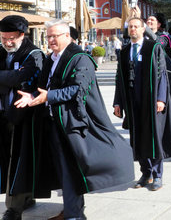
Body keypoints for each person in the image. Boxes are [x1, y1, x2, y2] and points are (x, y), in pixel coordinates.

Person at [15, 19, 134, 220]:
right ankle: (72, 210)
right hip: (53, 122)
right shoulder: (51, 58)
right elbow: (45, 87)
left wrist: (48, 97)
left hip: (73, 124)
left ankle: (74, 215)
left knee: (71, 170)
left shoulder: (80, 58)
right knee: (62, 170)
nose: (51, 40)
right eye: (49, 36)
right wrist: (33, 96)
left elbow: (77, 89)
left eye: (55, 36)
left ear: (67, 36)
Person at [114, 17, 171, 191]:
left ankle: (158, 175)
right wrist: (118, 102)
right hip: (132, 100)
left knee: (154, 137)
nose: (133, 30)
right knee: (137, 138)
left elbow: (162, 75)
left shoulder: (154, 48)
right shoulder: (124, 51)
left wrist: (161, 99)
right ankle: (146, 173)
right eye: (131, 27)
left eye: (136, 27)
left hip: (151, 100)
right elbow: (119, 79)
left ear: (143, 29)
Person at [0, 16, 43, 220]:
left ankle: (14, 208)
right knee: (7, 160)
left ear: (22, 35)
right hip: (3, 115)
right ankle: (26, 197)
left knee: (19, 160)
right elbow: (13, 78)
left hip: (25, 117)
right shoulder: (2, 52)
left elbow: (23, 79)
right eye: (3, 38)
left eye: (11, 38)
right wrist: (11, 78)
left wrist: (13, 78)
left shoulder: (34, 54)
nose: (7, 43)